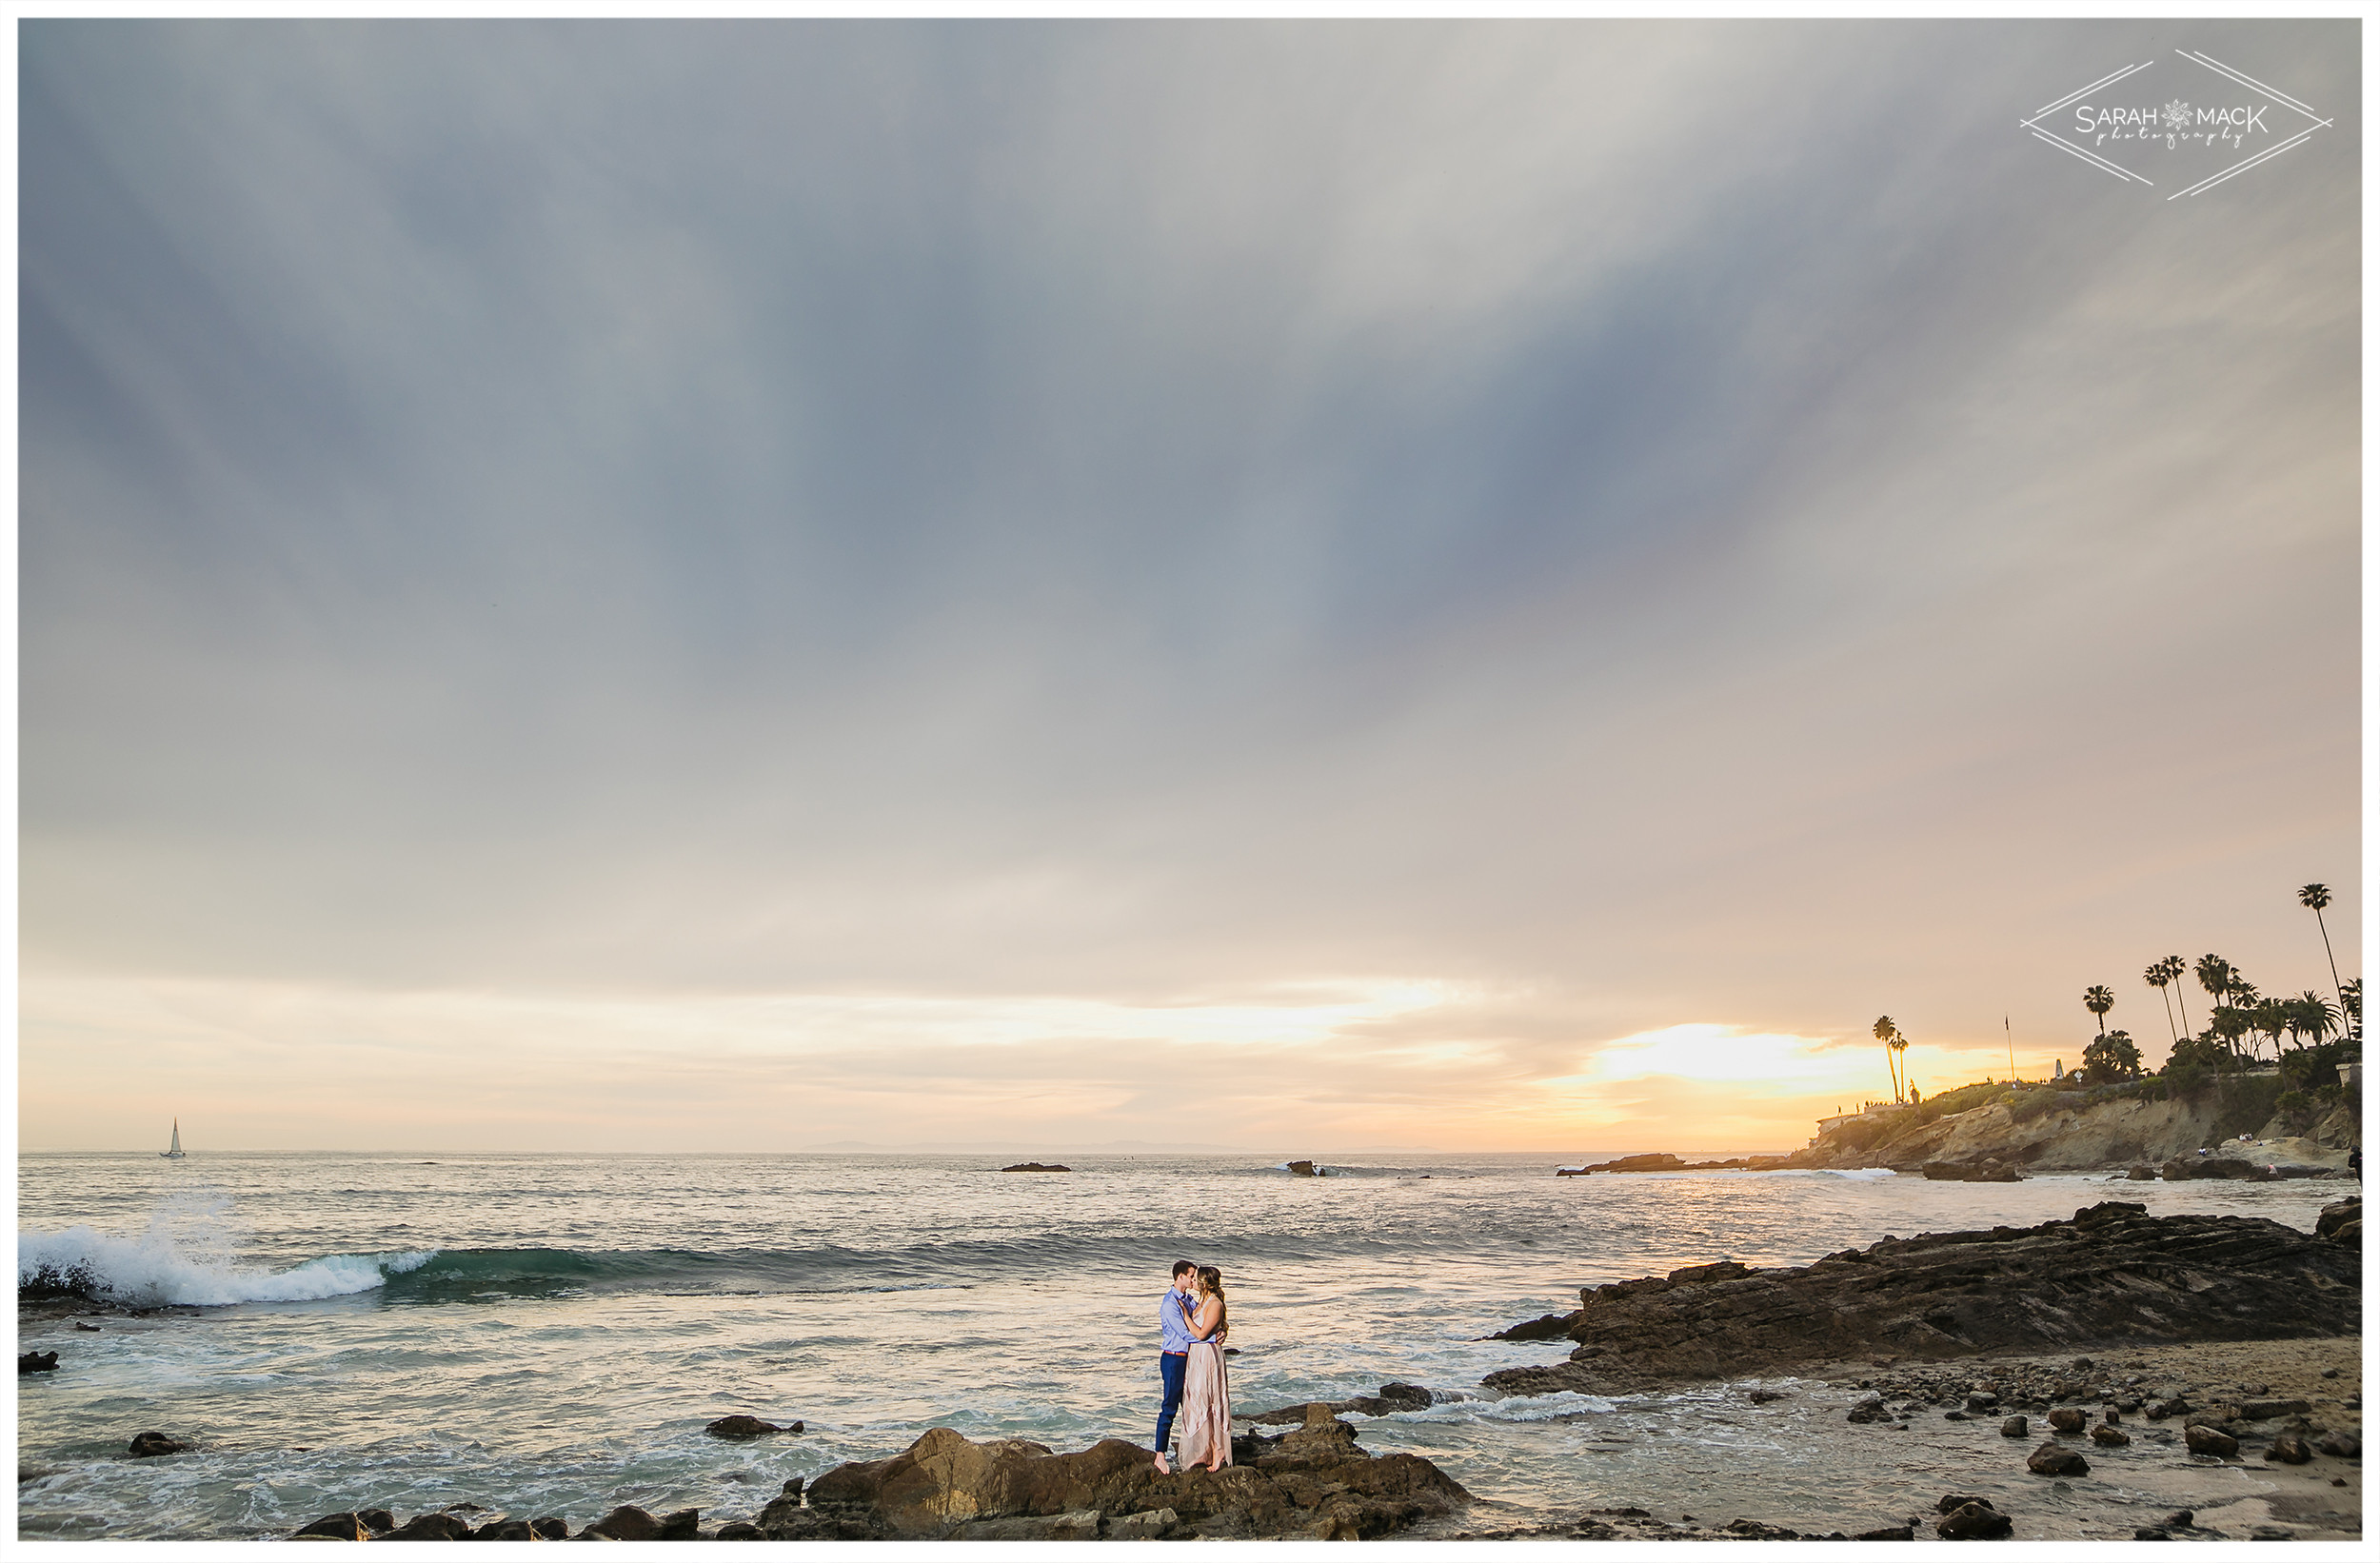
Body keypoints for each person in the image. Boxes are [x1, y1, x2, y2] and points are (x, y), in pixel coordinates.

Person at [1176, 1264, 1233, 1472]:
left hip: (1207, 1355)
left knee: (1212, 1400)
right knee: (1198, 1401)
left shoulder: (1214, 1304)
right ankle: (1205, 1450)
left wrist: (1185, 1317)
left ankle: (1219, 1452)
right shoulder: (1201, 1302)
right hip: (1196, 1356)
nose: (1193, 1282)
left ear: (1203, 1283)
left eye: (1196, 1279)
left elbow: (1201, 1334)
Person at [1151, 1259, 1196, 1473]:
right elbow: (1186, 1333)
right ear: (1180, 1277)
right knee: (1169, 1407)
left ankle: (1191, 1449)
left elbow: (1200, 1322)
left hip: (1186, 1358)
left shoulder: (1188, 1300)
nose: (1194, 1280)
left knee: (1191, 1405)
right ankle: (1160, 1455)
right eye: (1191, 1276)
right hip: (1173, 1358)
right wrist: (1211, 1339)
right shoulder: (1170, 1303)